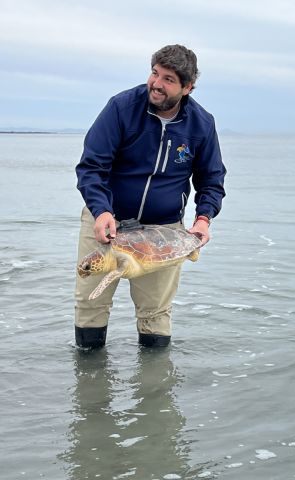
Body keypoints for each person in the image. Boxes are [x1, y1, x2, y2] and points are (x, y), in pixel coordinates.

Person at [74, 44, 226, 349]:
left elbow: (211, 179)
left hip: (163, 232)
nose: (156, 83)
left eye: (168, 79)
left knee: (155, 313)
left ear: (187, 88)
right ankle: (89, 387)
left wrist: (203, 218)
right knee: (90, 302)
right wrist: (101, 210)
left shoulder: (201, 124)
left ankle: (154, 389)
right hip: (108, 222)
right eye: (154, 73)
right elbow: (91, 166)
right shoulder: (121, 107)